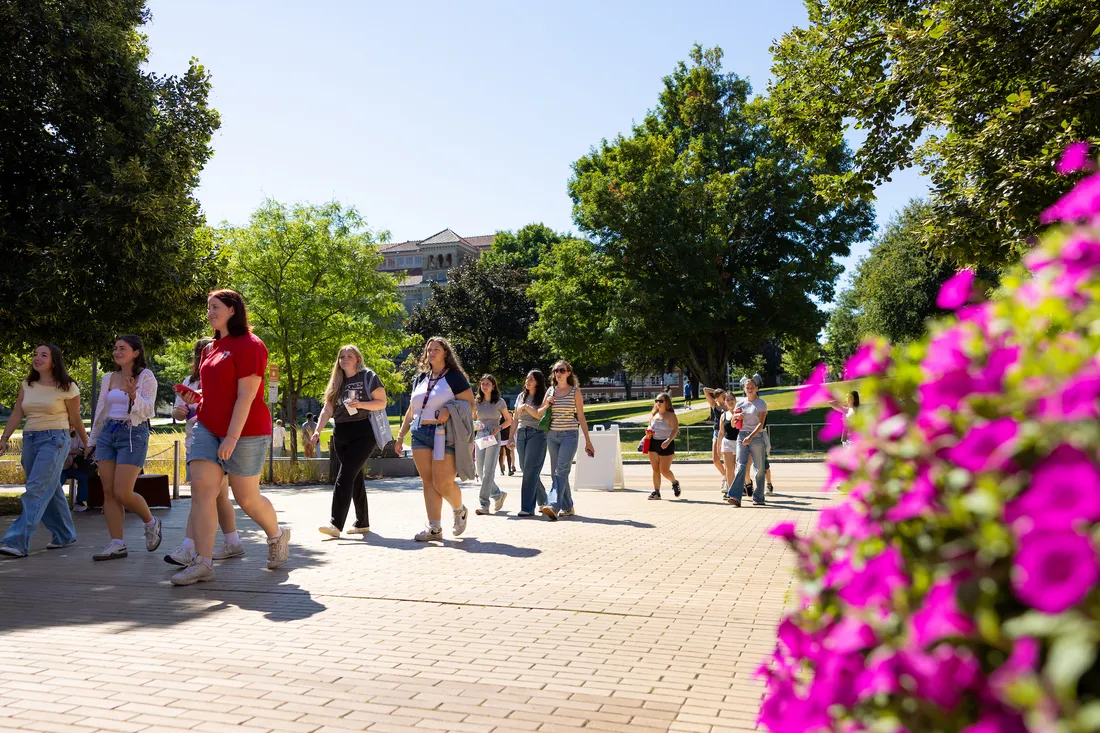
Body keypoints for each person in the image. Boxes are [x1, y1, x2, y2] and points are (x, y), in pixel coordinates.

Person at [171, 289, 290, 585]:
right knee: (201, 490)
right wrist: (195, 397)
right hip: (208, 427)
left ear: (233, 310)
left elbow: (246, 397)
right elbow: (216, 393)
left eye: (216, 306)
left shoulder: (251, 345)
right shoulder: (211, 347)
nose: (210, 312)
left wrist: (231, 439)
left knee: (246, 498)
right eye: (208, 307)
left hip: (245, 430)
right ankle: (202, 562)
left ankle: (277, 535)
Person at [0, 344, 87, 558]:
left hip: (55, 439)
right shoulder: (27, 385)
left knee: (36, 489)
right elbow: (16, 415)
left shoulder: (67, 387)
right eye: (35, 354)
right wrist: (4, 438)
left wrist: (87, 442)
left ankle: (17, 541)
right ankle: (65, 534)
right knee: (50, 488)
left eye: (43, 355)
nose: (37, 358)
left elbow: (75, 419)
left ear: (54, 361)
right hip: (30, 439)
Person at [164, 337, 244, 567]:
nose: (204, 356)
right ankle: (233, 541)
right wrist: (180, 411)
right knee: (217, 496)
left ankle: (189, 547)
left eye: (209, 351)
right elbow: (179, 414)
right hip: (195, 440)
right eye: (201, 352)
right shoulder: (189, 380)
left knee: (203, 496)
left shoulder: (222, 376)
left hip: (217, 440)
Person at [88, 335, 161, 561]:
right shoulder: (109, 377)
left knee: (122, 492)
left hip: (133, 432)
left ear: (136, 352)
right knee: (108, 493)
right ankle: (117, 543)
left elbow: (148, 410)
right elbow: (101, 410)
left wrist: (132, 394)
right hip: (108, 433)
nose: (117, 352)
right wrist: (92, 440)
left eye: (123, 348)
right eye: (115, 348)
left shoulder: (145, 377)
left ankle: (151, 522)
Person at [395, 337, 475, 541]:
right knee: (428, 482)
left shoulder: (455, 377)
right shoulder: (421, 379)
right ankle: (434, 528)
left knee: (442, 482)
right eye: (428, 349)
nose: (431, 352)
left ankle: (459, 510)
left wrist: (448, 409)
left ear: (445, 353)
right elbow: (413, 409)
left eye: (436, 349)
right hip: (420, 433)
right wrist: (401, 435)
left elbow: (470, 405)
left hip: (444, 434)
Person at [312, 345, 387, 538]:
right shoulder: (336, 382)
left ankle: (335, 524)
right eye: (341, 356)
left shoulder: (368, 377)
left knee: (344, 476)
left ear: (357, 359)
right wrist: (318, 430)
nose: (344, 359)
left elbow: (382, 402)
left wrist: (361, 404)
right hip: (341, 433)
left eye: (349, 356)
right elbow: (327, 410)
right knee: (354, 477)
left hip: (363, 431)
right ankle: (362, 523)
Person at [540, 360, 594, 520]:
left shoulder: (575, 391)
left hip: (569, 434)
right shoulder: (550, 390)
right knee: (555, 473)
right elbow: (540, 412)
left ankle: (553, 505)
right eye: (556, 370)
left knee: (561, 471)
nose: (558, 373)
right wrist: (547, 404)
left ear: (569, 373)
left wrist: (588, 441)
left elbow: (581, 417)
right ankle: (568, 507)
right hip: (552, 435)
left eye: (562, 370)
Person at [724, 379, 768, 507]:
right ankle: (735, 496)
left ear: (756, 389)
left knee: (759, 469)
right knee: (741, 466)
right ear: (744, 389)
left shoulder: (761, 404)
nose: (749, 389)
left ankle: (759, 497)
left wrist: (751, 436)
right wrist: (736, 418)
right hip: (742, 436)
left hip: (757, 437)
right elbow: (733, 424)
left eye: (752, 387)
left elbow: (761, 423)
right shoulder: (740, 404)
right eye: (747, 387)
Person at [474, 374, 512, 515]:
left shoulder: (499, 402)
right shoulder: (476, 401)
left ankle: (484, 504)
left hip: (493, 436)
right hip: (481, 436)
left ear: (493, 386)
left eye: (487, 384)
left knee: (488, 471)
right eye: (482, 383)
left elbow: (508, 420)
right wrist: (476, 425)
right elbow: (472, 421)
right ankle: (498, 494)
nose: (484, 386)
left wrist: (499, 428)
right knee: (480, 471)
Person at [513, 370, 549, 516]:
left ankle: (527, 508)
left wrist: (527, 407)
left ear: (538, 382)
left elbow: (539, 415)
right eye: (527, 378)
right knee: (526, 468)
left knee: (530, 470)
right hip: (522, 433)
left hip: (537, 434)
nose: (527, 381)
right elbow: (515, 417)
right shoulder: (521, 396)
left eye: (531, 379)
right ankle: (544, 499)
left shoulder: (544, 397)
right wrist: (510, 437)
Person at [647, 393, 681, 500]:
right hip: (653, 443)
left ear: (666, 402)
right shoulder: (654, 415)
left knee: (664, 470)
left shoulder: (671, 415)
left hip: (666, 444)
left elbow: (675, 430)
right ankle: (656, 492)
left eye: (661, 401)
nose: (658, 403)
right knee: (655, 469)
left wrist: (668, 440)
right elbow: (650, 426)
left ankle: (674, 482)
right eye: (656, 400)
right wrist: (648, 432)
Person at [703, 387, 727, 493]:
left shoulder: (728, 403)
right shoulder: (714, 404)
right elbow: (705, 390)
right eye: (722, 395)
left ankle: (727, 480)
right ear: (717, 397)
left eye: (724, 394)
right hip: (717, 433)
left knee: (727, 459)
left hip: (727, 433)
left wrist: (721, 393)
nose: (724, 395)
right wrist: (716, 391)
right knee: (716, 460)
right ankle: (726, 476)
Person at [61, 429, 91, 512]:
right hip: (59, 468)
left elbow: (85, 451)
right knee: (59, 481)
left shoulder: (78, 435)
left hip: (72, 465)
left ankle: (80, 502)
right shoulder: (57, 434)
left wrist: (72, 452)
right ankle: (57, 504)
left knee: (83, 476)